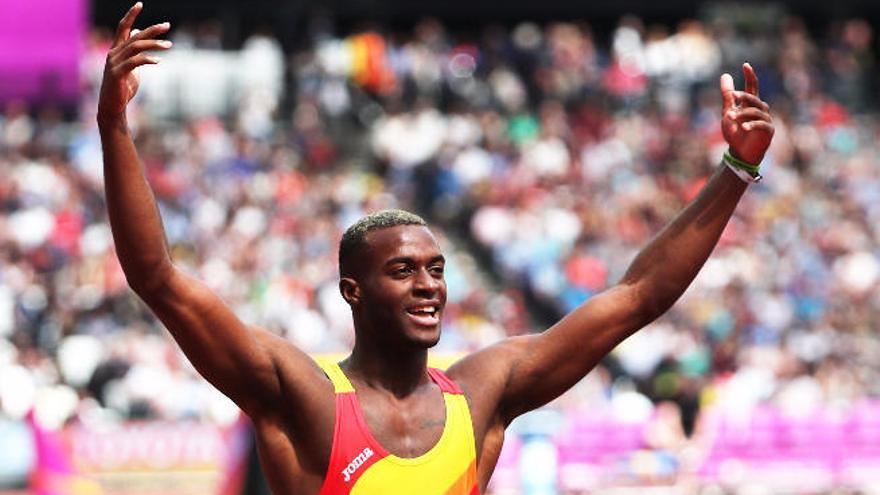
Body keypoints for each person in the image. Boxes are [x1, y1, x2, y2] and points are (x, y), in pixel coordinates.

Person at [97, 3, 774, 494]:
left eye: (437, 269)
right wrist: (114, 127)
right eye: (402, 270)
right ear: (352, 292)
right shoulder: (302, 394)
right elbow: (157, 276)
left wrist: (735, 172)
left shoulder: (482, 393)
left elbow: (635, 298)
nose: (429, 285)